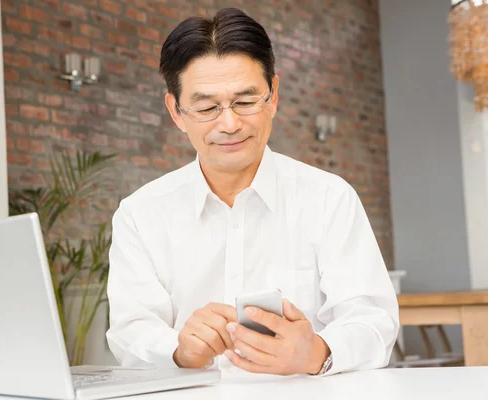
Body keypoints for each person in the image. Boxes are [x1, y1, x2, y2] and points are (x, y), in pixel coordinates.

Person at [105, 7, 399, 376]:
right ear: (177, 112)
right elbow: (130, 331)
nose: (229, 124)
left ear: (273, 96)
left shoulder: (329, 199)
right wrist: (178, 350)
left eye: (245, 101)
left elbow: (373, 321)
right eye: (207, 106)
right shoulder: (141, 214)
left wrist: (317, 351)